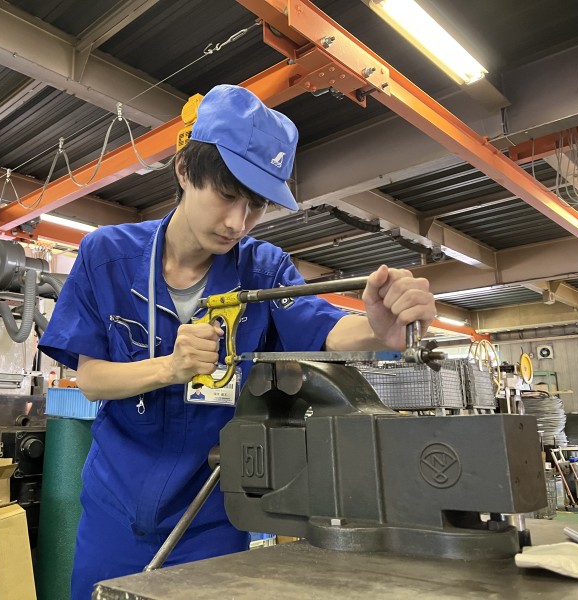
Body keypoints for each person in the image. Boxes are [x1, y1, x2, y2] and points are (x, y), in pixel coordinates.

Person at [38, 84, 436, 598]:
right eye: (227, 195)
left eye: (255, 206)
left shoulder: (263, 269)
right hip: (113, 504)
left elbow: (323, 327)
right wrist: (171, 367)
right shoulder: (106, 255)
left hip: (212, 512)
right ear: (185, 170)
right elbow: (91, 380)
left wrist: (379, 327)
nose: (237, 223)